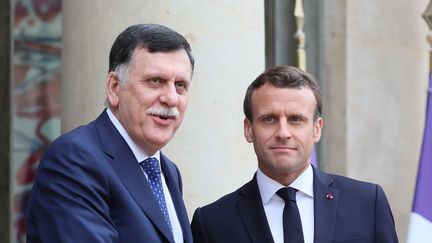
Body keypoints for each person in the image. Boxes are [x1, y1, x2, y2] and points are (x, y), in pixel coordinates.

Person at [26, 23, 194, 243]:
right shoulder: (73, 159)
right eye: (155, 81)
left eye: (180, 85)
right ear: (114, 87)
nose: (171, 98)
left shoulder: (168, 171)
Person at [191, 66, 399, 243]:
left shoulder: (366, 204)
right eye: (269, 119)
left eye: (296, 119)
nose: (283, 133)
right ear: (248, 129)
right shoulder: (212, 222)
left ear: (316, 129)